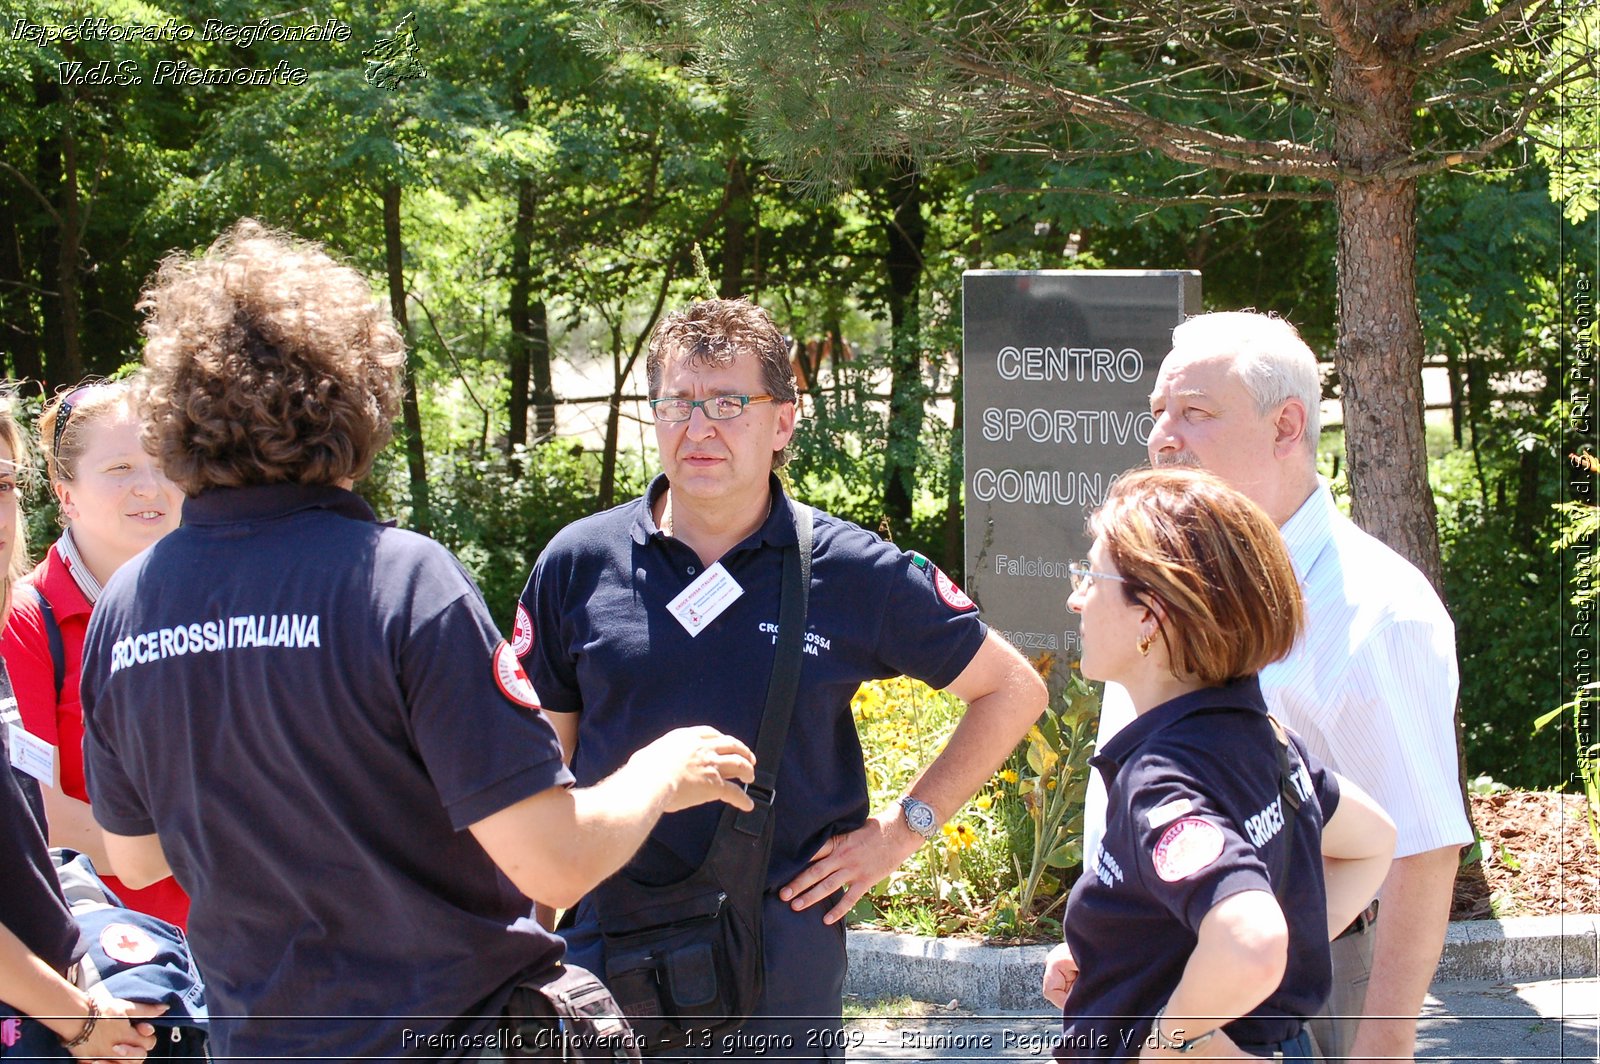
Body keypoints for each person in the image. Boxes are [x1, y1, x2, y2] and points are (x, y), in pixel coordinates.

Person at [77, 220, 759, 1062]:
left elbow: (135, 856)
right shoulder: (398, 581)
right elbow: (553, 865)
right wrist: (660, 772)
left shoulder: (127, 607)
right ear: (355, 399)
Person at [518, 297, 1047, 1057]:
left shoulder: (850, 571)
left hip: (778, 974)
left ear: (783, 424)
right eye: (676, 403)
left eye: (728, 403)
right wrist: (524, 946)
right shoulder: (577, 564)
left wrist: (901, 834)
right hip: (608, 963)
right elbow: (544, 775)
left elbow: (1012, 689)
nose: (697, 429)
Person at [1083, 311, 1471, 1062]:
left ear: (1287, 424)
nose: (1165, 435)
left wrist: (1381, 1051)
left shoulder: (1381, 610)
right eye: (1158, 413)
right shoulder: (1154, 579)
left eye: (1195, 413)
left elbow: (1420, 848)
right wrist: (1118, 944)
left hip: (1313, 993)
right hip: (1173, 966)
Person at [1041, 467, 1396, 1061]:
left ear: (1149, 615)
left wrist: (1174, 1045)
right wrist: (1126, 963)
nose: (1075, 597)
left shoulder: (1162, 779)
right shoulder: (1263, 737)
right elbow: (1372, 843)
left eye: (1091, 577)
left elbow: (1250, 940)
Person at [0, 395, 166, 1061]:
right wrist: (79, 1016)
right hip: (78, 999)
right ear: (66, 497)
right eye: (121, 466)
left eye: (5, 483)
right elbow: (48, 816)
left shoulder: (225, 601)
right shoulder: (25, 619)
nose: (149, 486)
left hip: (143, 975)